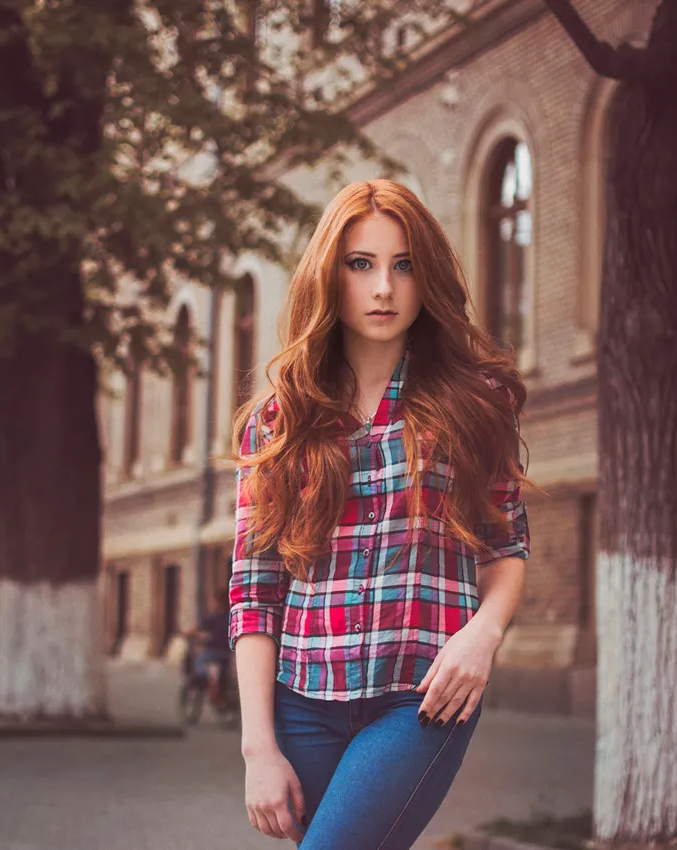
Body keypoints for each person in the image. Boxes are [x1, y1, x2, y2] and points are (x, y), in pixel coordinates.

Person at [229, 180, 532, 848]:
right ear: (329, 275)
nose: (384, 289)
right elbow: (254, 592)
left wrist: (483, 634)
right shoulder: (279, 421)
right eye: (360, 264)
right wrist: (258, 749)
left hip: (420, 698)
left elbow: (505, 548)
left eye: (404, 265)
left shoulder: (475, 403)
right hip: (302, 698)